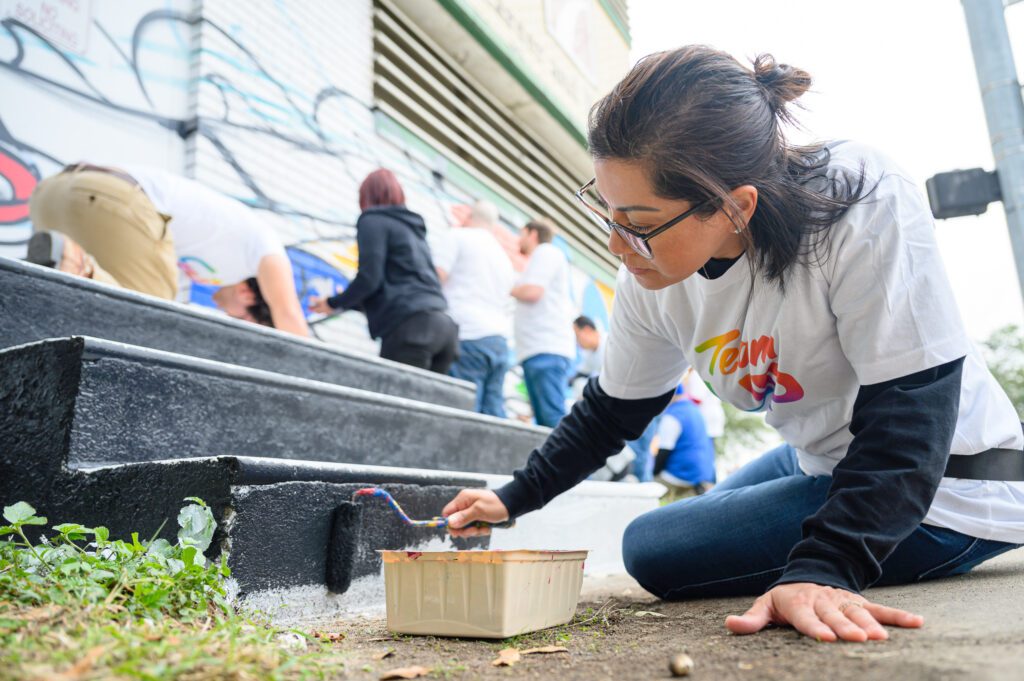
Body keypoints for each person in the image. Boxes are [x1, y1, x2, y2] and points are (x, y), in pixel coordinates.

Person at [440, 46, 1024, 644]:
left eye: (638, 222)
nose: (618, 246)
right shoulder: (650, 273)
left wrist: (826, 568)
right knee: (693, 523)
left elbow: (913, 407)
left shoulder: (860, 199)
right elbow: (611, 410)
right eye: (607, 212)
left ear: (735, 206)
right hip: (824, 458)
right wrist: (512, 497)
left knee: (652, 546)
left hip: (947, 486)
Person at [26, 163, 309, 335]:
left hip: (50, 195)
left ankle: (67, 273)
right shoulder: (266, 247)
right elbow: (289, 316)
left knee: (110, 315)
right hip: (110, 197)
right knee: (155, 321)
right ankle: (80, 268)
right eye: (243, 319)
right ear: (247, 294)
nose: (231, 318)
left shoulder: (194, 266)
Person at [309, 169, 457, 374]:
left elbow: (369, 279)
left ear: (366, 197)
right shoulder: (413, 230)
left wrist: (332, 303)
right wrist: (341, 305)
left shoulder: (372, 220)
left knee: (395, 404)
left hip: (412, 328)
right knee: (422, 406)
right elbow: (390, 289)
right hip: (444, 329)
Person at [434, 200, 515, 416]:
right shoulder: (504, 258)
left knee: (461, 414)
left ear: (469, 217)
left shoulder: (458, 236)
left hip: (469, 336)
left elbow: (436, 279)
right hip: (499, 341)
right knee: (491, 418)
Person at [572, 314, 659, 481]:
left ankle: (644, 492)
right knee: (630, 450)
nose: (577, 343)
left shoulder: (609, 345)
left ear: (588, 330)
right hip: (625, 404)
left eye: (577, 336)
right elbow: (580, 374)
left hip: (643, 399)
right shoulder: (591, 355)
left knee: (639, 451)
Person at [511, 219, 576, 427]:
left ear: (532, 234)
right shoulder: (546, 256)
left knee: (551, 418)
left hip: (545, 349)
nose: (518, 240)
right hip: (540, 350)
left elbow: (532, 292)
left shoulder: (546, 252)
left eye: (521, 234)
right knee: (546, 419)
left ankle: (565, 459)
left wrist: (510, 288)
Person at [654, 384, 716, 502]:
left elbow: (664, 451)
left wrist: (653, 474)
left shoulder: (672, 416)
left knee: (646, 484)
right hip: (700, 476)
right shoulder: (695, 410)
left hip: (679, 475)